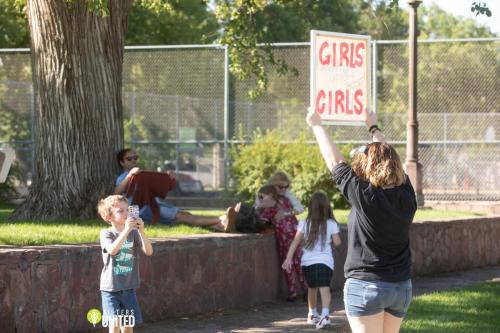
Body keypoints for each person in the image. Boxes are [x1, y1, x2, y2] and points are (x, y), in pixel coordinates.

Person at [306, 108, 417, 333]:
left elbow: (334, 160)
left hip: (367, 285)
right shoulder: (407, 195)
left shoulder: (365, 195)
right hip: (400, 288)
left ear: (367, 166)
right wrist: (373, 127)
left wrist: (316, 124)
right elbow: (388, 155)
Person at [115, 148, 235, 232]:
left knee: (184, 215)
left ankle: (218, 225)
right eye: (129, 159)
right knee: (181, 216)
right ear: (122, 162)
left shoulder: (140, 174)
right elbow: (116, 192)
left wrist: (167, 178)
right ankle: (220, 219)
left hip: (155, 205)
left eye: (135, 157)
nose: (134, 160)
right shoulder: (124, 176)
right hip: (144, 210)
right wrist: (130, 175)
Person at [282, 191, 342, 329]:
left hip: (307, 262)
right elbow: (338, 243)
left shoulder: (304, 223)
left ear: (311, 207)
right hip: (325, 262)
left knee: (312, 288)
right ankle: (325, 316)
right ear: (326, 207)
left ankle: (312, 314)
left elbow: (296, 241)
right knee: (325, 288)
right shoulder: (331, 223)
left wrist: (288, 258)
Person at [97, 195, 154, 333]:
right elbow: (112, 250)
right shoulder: (106, 233)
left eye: (127, 210)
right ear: (109, 217)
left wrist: (141, 231)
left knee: (127, 327)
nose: (125, 213)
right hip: (111, 289)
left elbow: (149, 251)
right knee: (115, 324)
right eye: (120, 211)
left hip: (128, 288)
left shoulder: (134, 233)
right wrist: (127, 230)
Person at [258, 184, 308, 302]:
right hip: (295, 234)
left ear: (269, 195)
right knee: (298, 262)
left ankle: (292, 293)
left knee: (287, 263)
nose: (260, 199)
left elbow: (261, 220)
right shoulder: (284, 201)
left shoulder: (269, 205)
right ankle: (306, 289)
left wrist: (259, 209)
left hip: (284, 237)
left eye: (262, 196)